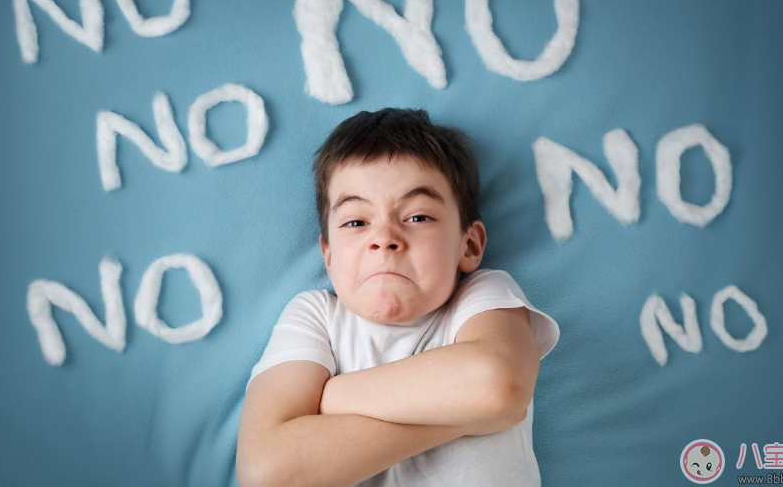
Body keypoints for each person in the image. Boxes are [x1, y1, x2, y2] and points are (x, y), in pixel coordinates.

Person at [236, 108, 560, 487]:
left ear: (468, 245)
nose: (384, 237)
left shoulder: (482, 295)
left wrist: (329, 397)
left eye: (418, 217)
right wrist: (468, 416)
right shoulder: (316, 316)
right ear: (329, 255)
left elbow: (498, 383)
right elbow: (268, 472)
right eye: (356, 222)